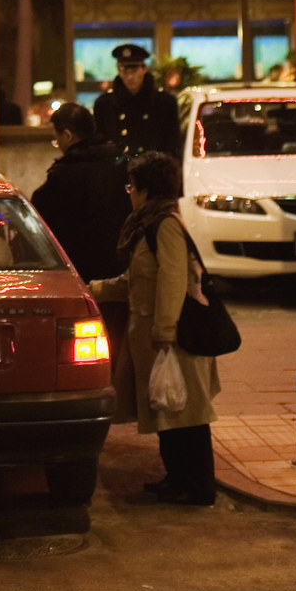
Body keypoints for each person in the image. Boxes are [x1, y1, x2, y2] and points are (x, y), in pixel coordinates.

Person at [89, 149, 220, 508]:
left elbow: (174, 279)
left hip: (174, 337)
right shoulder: (148, 225)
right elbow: (136, 280)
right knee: (166, 410)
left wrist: (165, 331)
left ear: (146, 189)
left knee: (187, 416)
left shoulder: (165, 225)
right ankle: (176, 479)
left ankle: (197, 486)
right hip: (153, 336)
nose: (129, 192)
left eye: (132, 186)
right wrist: (94, 289)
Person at [30, 101, 129, 280]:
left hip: (80, 270)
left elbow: (40, 213)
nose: (57, 143)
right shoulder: (119, 164)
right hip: (119, 264)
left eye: (56, 138)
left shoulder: (64, 173)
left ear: (68, 136)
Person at [94, 44, 182, 163]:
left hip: (153, 171)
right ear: (119, 71)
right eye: (125, 71)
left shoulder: (164, 103)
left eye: (134, 71)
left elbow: (172, 145)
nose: (130, 77)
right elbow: (100, 146)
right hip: (117, 173)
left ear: (143, 69)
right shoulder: (104, 104)